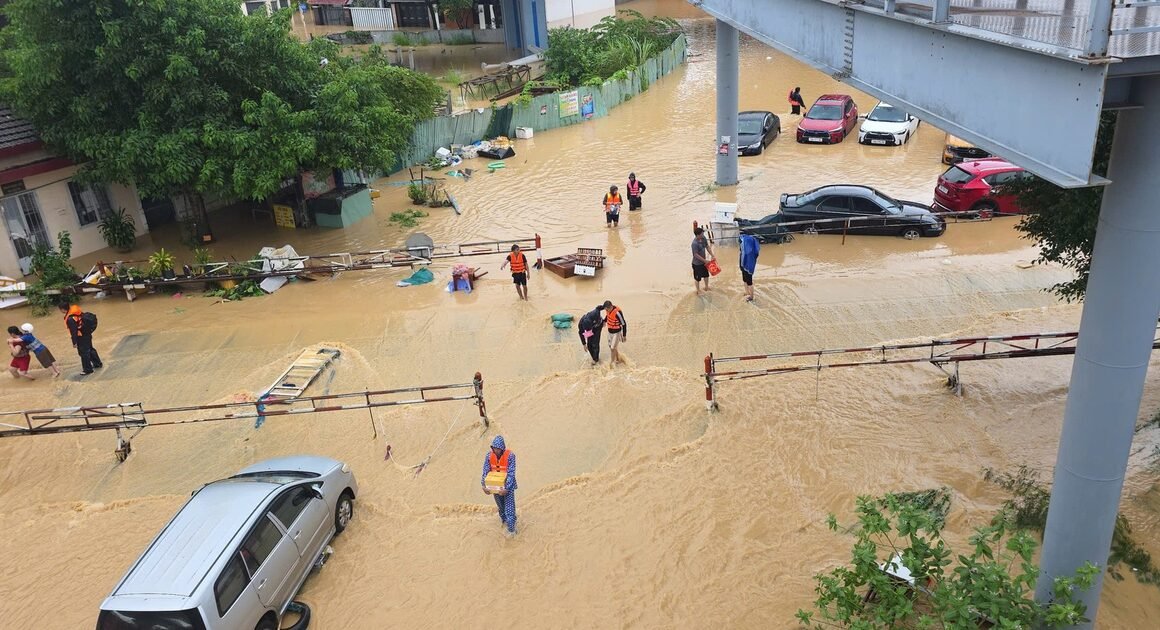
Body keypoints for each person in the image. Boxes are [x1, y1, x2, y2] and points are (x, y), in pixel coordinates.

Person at [481, 435, 518, 535]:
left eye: (498, 449)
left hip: (507, 487)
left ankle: (512, 531)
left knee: (509, 509)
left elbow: (511, 473)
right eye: (494, 448)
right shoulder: (489, 456)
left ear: (502, 448)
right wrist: (484, 486)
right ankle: (504, 522)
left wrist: (506, 488)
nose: (496, 451)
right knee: (501, 508)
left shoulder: (510, 456)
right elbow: (485, 471)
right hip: (495, 486)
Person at [59, 302, 102, 376]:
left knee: (83, 353)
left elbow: (74, 331)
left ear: (62, 309)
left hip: (81, 337)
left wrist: (74, 342)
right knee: (90, 349)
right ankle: (97, 363)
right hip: (87, 333)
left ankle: (88, 370)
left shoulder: (70, 319)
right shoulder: (76, 312)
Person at [602, 300, 628, 365]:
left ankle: (612, 363)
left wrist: (624, 335)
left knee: (613, 348)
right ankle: (618, 358)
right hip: (610, 331)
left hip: (617, 332)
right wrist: (604, 321)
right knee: (611, 347)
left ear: (610, 307)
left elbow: (624, 324)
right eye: (605, 309)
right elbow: (608, 316)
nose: (606, 311)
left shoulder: (617, 313)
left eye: (607, 309)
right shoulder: (608, 310)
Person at [692, 226, 715, 294]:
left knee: (706, 275)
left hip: (703, 262)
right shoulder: (694, 243)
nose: (703, 235)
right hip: (697, 264)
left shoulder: (703, 238)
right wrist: (705, 261)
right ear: (698, 235)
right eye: (702, 234)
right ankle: (698, 290)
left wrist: (712, 255)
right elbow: (695, 255)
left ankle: (706, 287)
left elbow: (707, 246)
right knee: (697, 278)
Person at [739, 232, 761, 303]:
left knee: (749, 282)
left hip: (748, 266)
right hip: (743, 264)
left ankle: (751, 297)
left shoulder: (749, 251)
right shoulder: (745, 247)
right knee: (744, 279)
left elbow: (752, 254)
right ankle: (747, 292)